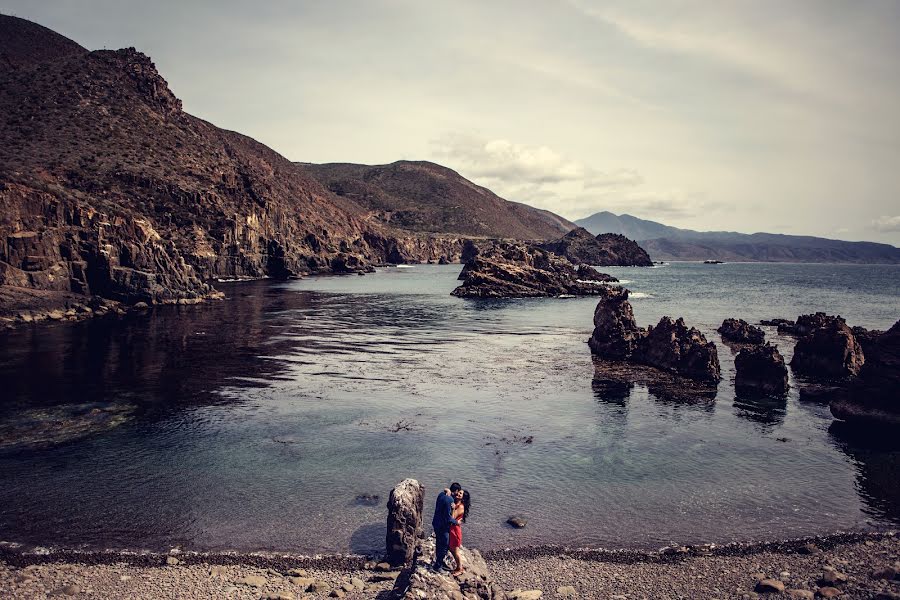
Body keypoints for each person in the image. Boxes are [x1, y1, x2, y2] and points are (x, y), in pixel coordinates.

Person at [431, 482, 461, 572]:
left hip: (436, 523)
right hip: (443, 527)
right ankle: (438, 566)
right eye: (458, 492)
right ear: (455, 491)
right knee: (444, 545)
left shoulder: (441, 494)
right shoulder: (450, 500)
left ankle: (439, 562)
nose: (458, 494)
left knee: (439, 544)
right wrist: (456, 522)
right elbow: (448, 518)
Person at [449, 488, 470, 576]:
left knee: (455, 550)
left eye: (460, 494)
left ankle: (460, 568)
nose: (458, 494)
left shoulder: (460, 506)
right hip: (452, 530)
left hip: (455, 531)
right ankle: (458, 567)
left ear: (463, 498)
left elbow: (453, 518)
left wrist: (453, 508)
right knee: (452, 549)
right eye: (458, 492)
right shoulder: (457, 503)